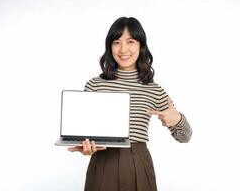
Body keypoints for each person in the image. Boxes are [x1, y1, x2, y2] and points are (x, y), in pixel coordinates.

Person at [68, 16, 192, 191]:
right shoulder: (94, 85)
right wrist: (86, 146)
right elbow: (85, 133)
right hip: (103, 162)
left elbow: (185, 137)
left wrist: (177, 119)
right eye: (116, 42)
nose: (123, 49)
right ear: (109, 47)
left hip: (138, 162)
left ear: (141, 45)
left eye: (130, 41)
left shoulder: (154, 89)